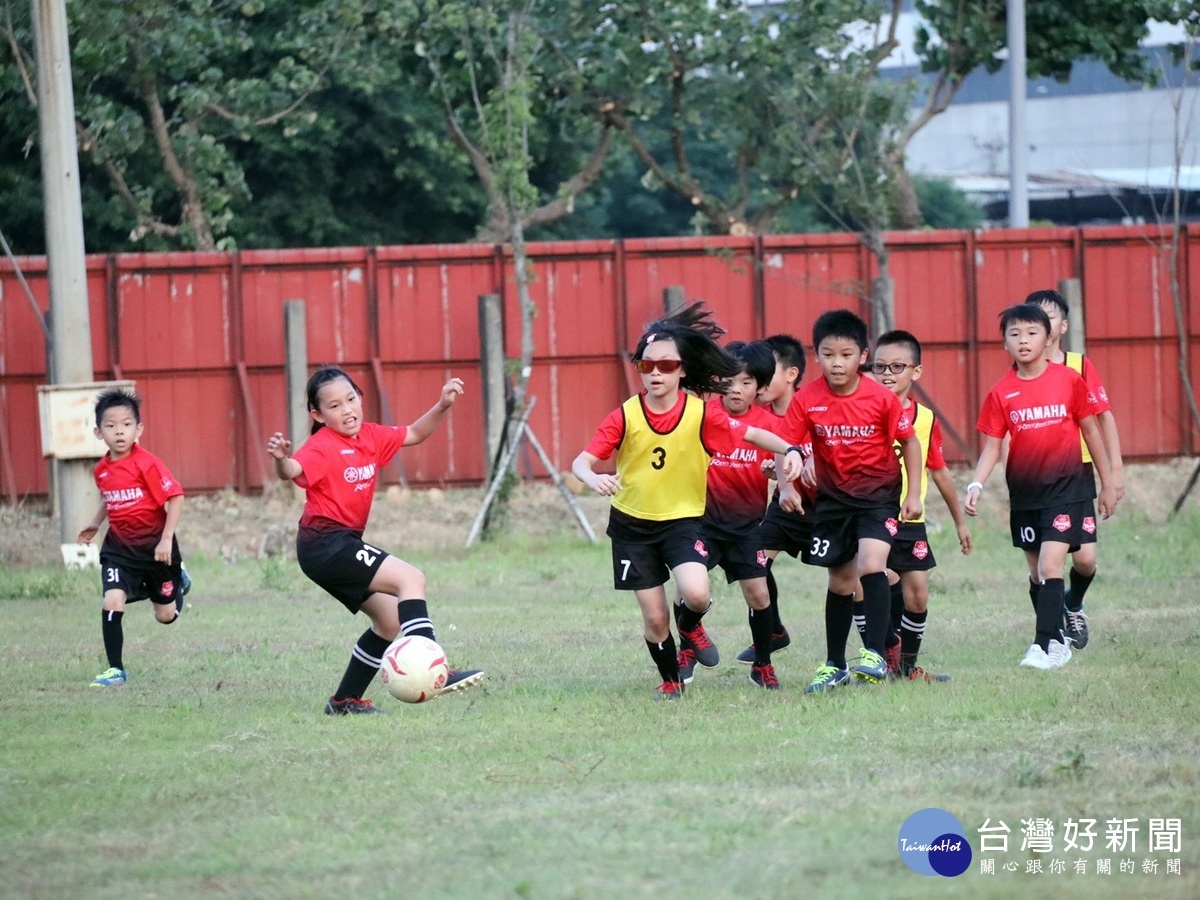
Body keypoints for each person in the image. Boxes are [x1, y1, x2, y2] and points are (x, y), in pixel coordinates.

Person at [571, 304, 804, 700]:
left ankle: (696, 630)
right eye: (647, 367)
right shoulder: (625, 415)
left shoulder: (700, 414)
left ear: (682, 370)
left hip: (683, 522)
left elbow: (751, 435)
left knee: (696, 594)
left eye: (666, 366)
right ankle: (670, 681)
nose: (656, 373)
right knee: (656, 617)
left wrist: (791, 448)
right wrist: (593, 476)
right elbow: (581, 460)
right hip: (632, 526)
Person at [267, 366, 483, 715]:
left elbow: (414, 433)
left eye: (351, 399)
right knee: (411, 579)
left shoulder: (370, 436)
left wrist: (442, 406)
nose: (347, 410)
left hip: (334, 545)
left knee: (389, 622)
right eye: (334, 406)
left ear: (360, 398)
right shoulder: (321, 446)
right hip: (326, 543)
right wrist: (280, 461)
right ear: (317, 415)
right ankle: (434, 663)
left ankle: (344, 701)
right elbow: (291, 470)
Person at [776, 309, 923, 693]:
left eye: (845, 354)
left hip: (878, 498)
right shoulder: (807, 399)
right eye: (828, 354)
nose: (836, 363)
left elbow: (909, 441)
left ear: (862, 356)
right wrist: (788, 484)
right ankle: (835, 664)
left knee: (871, 565)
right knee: (840, 582)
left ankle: (875, 653)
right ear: (817, 355)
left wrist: (913, 494)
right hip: (833, 501)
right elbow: (784, 442)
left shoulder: (881, 398)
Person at [964, 304, 1116, 670]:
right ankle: (1057, 639)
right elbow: (992, 447)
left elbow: (1091, 431)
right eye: (1014, 335)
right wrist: (976, 484)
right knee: (1036, 573)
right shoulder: (1001, 392)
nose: (1023, 341)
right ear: (1005, 344)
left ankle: (1042, 645)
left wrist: (1108, 482)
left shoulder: (1069, 380)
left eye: (1032, 333)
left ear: (1048, 338)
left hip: (1069, 487)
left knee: (1052, 566)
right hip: (1027, 493)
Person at [868, 330, 973, 682]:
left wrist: (960, 522)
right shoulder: (860, 411)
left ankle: (907, 668)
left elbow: (940, 473)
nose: (887, 374)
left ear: (916, 372)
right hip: (870, 517)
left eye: (897, 366)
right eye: (880, 366)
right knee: (875, 581)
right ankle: (879, 658)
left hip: (911, 518)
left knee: (917, 596)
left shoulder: (925, 419)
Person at [681, 340, 785, 690]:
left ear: (761, 387)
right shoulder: (702, 415)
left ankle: (763, 665)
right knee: (688, 588)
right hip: (703, 522)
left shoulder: (769, 426)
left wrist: (780, 476)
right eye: (730, 381)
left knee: (759, 596)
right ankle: (687, 653)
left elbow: (788, 462)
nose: (737, 390)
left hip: (746, 526)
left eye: (746, 382)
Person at [1025, 289, 1124, 650]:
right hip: (1035, 479)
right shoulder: (1020, 370)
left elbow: (1103, 417)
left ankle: (1074, 603)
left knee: (1084, 559)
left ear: (1063, 325)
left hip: (1077, 473)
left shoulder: (1079, 366)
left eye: (1049, 316)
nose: (1042, 323)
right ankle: (1051, 638)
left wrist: (1114, 471)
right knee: (1039, 568)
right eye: (1034, 316)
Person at [77, 389, 189, 687]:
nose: (119, 432)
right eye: (111, 426)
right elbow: (111, 497)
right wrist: (94, 523)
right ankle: (116, 669)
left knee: (165, 616)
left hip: (156, 549)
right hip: (119, 549)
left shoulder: (147, 464)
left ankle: (179, 581)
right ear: (99, 432)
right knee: (112, 599)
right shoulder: (101, 470)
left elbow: (175, 497)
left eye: (126, 424)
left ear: (138, 429)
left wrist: (167, 539)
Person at [738, 333, 810, 665]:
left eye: (769, 370)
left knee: (854, 579)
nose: (760, 378)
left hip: (826, 509)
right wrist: (779, 478)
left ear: (791, 374)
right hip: (783, 505)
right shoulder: (758, 418)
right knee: (755, 562)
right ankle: (774, 632)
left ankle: (886, 649)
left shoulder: (813, 407)